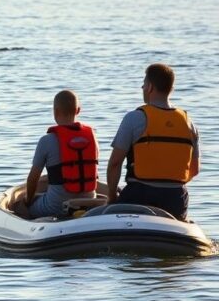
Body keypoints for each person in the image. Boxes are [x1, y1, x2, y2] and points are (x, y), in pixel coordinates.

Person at [106, 63, 200, 220]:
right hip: (176, 199)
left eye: (144, 83)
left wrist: (112, 197)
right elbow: (194, 170)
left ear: (149, 87)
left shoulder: (134, 118)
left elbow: (115, 163)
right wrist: (169, 183)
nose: (142, 87)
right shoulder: (189, 124)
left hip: (139, 195)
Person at [15, 91, 99, 219]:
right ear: (78, 110)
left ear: (55, 111)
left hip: (56, 206)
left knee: (19, 207)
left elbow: (33, 179)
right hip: (89, 204)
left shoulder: (47, 140)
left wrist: (27, 201)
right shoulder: (92, 138)